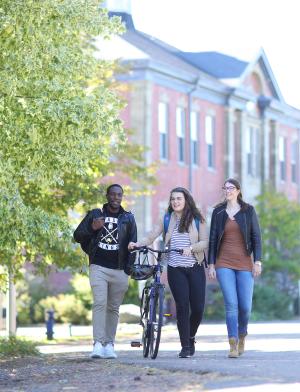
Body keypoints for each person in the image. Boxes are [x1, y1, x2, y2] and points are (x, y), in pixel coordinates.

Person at [128, 187, 208, 358]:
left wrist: (191, 248)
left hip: (195, 267)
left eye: (179, 198)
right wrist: (138, 243)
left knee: (198, 308)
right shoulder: (166, 219)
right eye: (173, 199)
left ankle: (191, 336)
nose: (175, 202)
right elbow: (152, 235)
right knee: (182, 306)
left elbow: (205, 242)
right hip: (175, 268)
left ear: (186, 200)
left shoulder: (197, 218)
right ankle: (185, 346)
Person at [74, 184, 137, 359]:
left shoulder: (128, 218)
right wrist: (92, 228)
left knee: (113, 308)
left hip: (119, 269)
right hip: (99, 267)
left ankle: (109, 344)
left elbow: (133, 244)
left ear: (122, 197)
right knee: (100, 303)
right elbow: (77, 235)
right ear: (107, 195)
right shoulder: (95, 214)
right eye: (113, 194)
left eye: (119, 195)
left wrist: (128, 271)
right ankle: (97, 344)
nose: (116, 198)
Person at [207, 178, 262, 358]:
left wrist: (257, 261)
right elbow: (213, 238)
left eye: (231, 188)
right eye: (225, 188)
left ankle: (242, 334)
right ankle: (232, 343)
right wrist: (212, 264)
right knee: (231, 304)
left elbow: (256, 238)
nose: (228, 190)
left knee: (245, 307)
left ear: (238, 190)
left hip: (245, 263)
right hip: (224, 263)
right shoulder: (218, 212)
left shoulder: (248, 211)